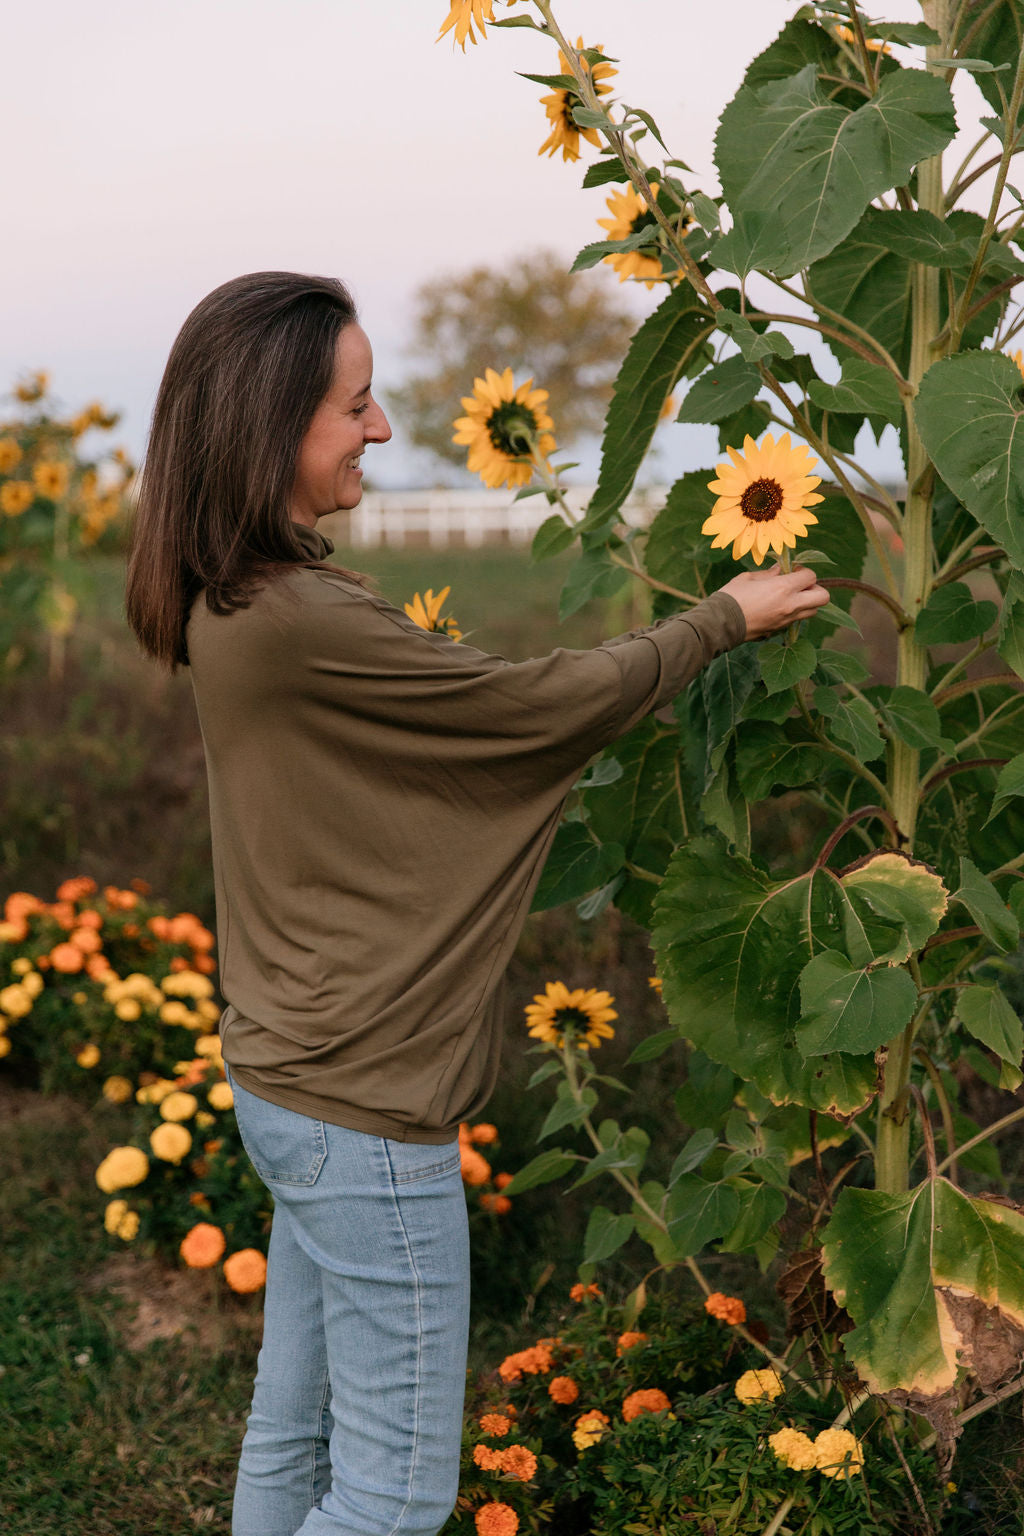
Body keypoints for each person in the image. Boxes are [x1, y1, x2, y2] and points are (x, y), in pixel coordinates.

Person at [125, 270, 828, 1536]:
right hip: (365, 1103)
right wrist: (720, 619)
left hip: (291, 1074)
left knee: (294, 1433)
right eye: (357, 405)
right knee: (392, 1500)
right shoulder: (292, 619)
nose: (384, 430)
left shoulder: (232, 595)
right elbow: (524, 710)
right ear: (267, 426)